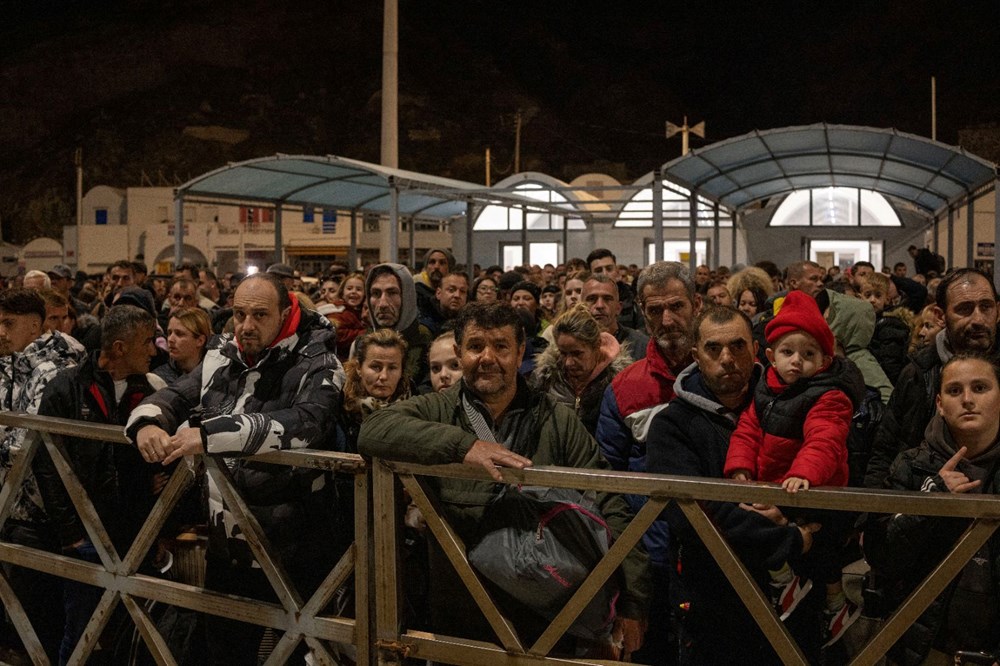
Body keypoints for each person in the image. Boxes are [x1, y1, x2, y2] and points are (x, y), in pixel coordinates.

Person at [358, 303, 649, 657]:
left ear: (520, 352)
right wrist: (465, 446)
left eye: (500, 346)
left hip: (549, 622)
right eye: (476, 346)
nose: (487, 357)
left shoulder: (556, 421)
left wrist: (632, 602)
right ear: (459, 352)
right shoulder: (437, 410)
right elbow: (374, 429)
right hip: (462, 624)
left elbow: (610, 503)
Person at [125, 272, 345, 665]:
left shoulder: (321, 361)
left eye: (260, 315)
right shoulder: (221, 354)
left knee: (296, 652)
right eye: (240, 314)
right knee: (223, 650)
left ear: (286, 313)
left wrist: (209, 434)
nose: (246, 326)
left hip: (296, 544)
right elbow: (177, 393)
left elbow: (307, 422)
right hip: (229, 541)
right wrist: (147, 422)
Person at [646, 305, 824, 665]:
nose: (727, 358)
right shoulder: (672, 425)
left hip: (794, 595)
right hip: (712, 593)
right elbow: (691, 513)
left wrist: (787, 512)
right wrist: (787, 537)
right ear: (696, 356)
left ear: (756, 351)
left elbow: (827, 472)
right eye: (714, 348)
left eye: (738, 346)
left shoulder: (797, 404)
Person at [724, 290, 865, 643]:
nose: (796, 362)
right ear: (771, 356)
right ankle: (786, 581)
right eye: (788, 352)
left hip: (817, 489)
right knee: (757, 525)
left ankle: (835, 604)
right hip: (777, 485)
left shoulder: (829, 394)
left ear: (825, 359)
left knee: (822, 551)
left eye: (808, 354)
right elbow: (748, 429)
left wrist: (804, 473)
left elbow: (826, 438)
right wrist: (740, 466)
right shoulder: (766, 388)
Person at [33, 305, 164, 664]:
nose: (154, 350)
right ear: (119, 348)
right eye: (146, 342)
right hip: (85, 534)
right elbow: (47, 464)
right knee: (82, 632)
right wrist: (71, 533)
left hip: (135, 532)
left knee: (136, 631)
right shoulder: (66, 388)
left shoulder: (155, 390)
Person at [596, 260, 701, 665]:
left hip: (717, 551)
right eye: (655, 310)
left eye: (676, 306)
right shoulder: (625, 388)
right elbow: (609, 478)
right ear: (642, 312)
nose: (667, 319)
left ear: (696, 304)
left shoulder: (724, 376)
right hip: (650, 559)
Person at [864, 354, 1000, 664]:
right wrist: (933, 499)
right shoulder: (912, 466)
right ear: (939, 404)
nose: (967, 399)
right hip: (926, 646)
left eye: (980, 388)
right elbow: (880, 553)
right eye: (954, 391)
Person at [0, 289, 83, 661]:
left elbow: (26, 443)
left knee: (40, 618)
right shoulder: (12, 362)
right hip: (13, 505)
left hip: (42, 512)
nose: (0, 332)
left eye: (8, 324)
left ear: (34, 325)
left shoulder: (55, 365)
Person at [865, 268, 999, 489]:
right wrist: (874, 512)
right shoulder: (918, 373)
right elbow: (886, 449)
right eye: (964, 309)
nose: (978, 319)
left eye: (986, 307)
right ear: (941, 316)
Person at [530, 305, 632, 436]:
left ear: (596, 346)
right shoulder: (545, 379)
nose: (568, 362)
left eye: (577, 354)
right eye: (563, 353)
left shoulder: (618, 382)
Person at [365, 263, 433, 385]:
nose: (382, 304)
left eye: (392, 293)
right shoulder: (362, 342)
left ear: (407, 297)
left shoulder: (426, 341)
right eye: (376, 293)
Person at [858, 271, 912, 384]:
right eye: (868, 295)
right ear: (860, 297)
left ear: (887, 299)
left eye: (878, 295)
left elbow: (891, 364)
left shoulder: (890, 324)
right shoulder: (865, 321)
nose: (872, 300)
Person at [582, 273, 649, 360]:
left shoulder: (641, 346)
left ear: (618, 308)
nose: (600, 305)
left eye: (607, 299)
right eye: (591, 299)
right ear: (579, 306)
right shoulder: (569, 345)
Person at [587, 249, 641, 330]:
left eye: (609, 269)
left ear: (616, 271)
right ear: (590, 274)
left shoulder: (633, 301)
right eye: (598, 271)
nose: (605, 274)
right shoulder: (582, 302)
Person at [155, 306, 211, 384]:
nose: (170, 339)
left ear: (200, 340)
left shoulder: (216, 373)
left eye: (179, 334)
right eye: (169, 333)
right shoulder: (158, 379)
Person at [323, 271, 367, 362]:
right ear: (342, 292)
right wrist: (366, 332)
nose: (354, 292)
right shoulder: (336, 311)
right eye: (349, 288)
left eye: (358, 289)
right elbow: (340, 336)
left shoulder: (363, 311)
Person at [419, 272, 469, 337]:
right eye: (451, 290)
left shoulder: (470, 325)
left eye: (462, 291)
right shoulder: (425, 327)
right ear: (438, 293)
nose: (457, 295)